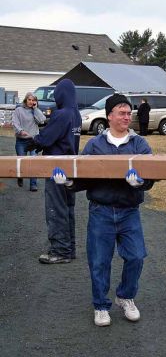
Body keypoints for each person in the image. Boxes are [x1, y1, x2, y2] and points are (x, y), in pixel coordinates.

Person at [52, 94, 154, 326]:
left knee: (136, 256)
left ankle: (125, 296)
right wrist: (68, 183)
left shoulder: (139, 144)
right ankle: (100, 306)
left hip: (129, 211)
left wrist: (141, 183)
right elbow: (84, 178)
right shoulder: (95, 145)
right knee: (99, 261)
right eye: (122, 112)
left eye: (129, 113)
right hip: (102, 211)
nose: (127, 116)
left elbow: (152, 174)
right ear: (109, 116)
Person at [29, 79, 82, 264]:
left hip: (56, 168)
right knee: (67, 209)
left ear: (61, 94)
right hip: (71, 168)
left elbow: (47, 137)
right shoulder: (76, 114)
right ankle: (69, 248)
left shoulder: (62, 114)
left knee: (55, 209)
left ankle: (60, 251)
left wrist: (34, 141)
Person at [12, 92, 46, 191]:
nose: (31, 102)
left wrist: (35, 109)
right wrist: (21, 131)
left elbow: (42, 120)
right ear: (25, 100)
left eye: (33, 100)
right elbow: (15, 122)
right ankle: (20, 177)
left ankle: (33, 184)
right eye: (29, 100)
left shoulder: (35, 110)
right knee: (21, 162)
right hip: (21, 141)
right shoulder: (19, 110)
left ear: (35, 101)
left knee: (33, 162)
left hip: (33, 141)